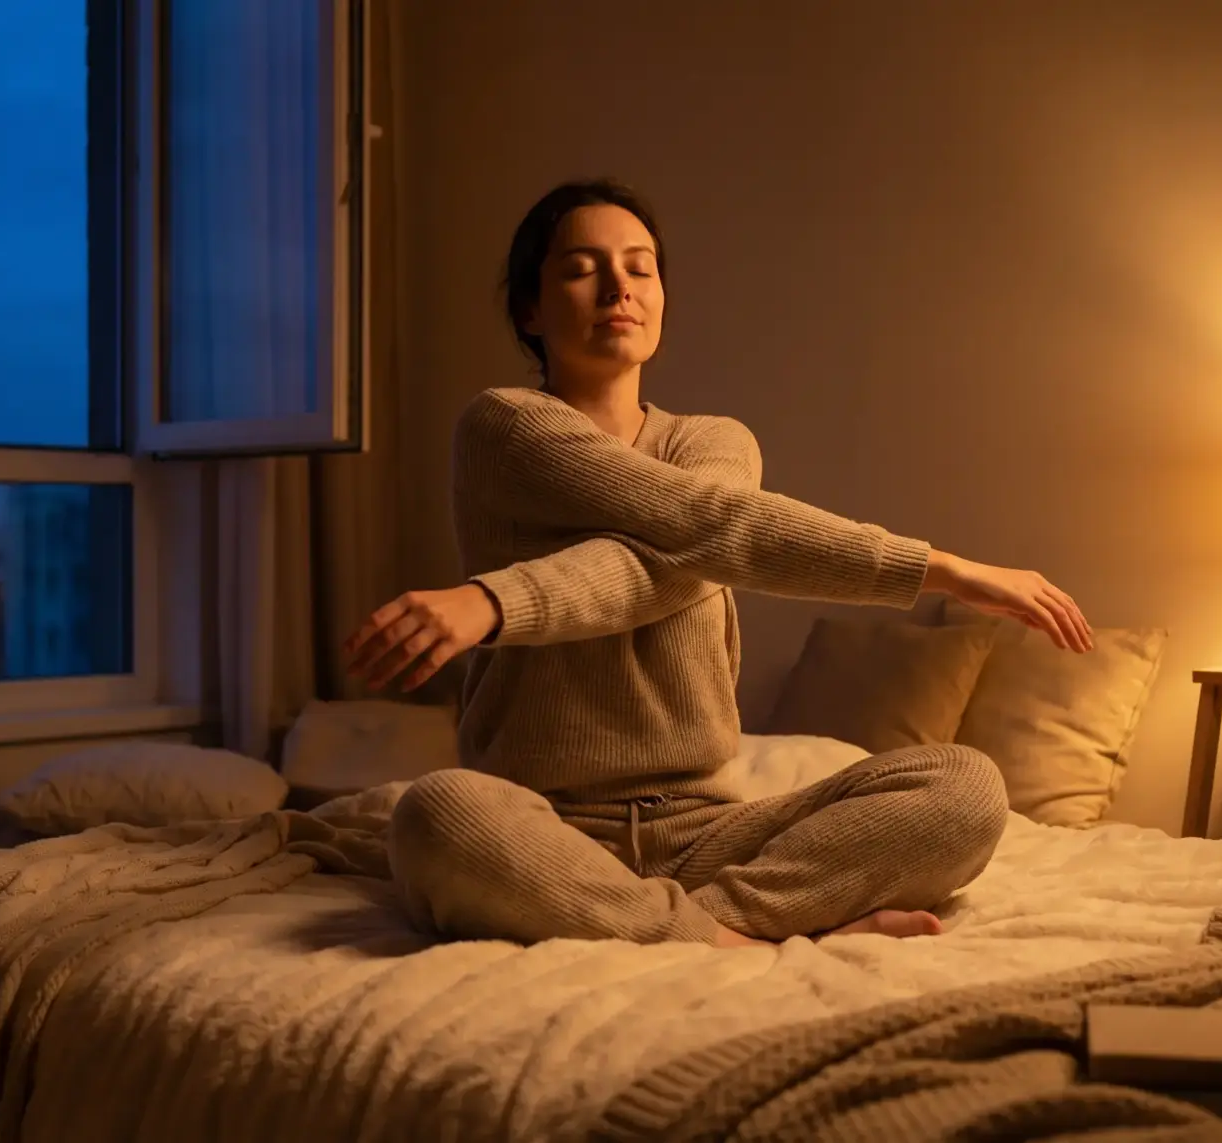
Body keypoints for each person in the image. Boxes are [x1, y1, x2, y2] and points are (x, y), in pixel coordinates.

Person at [343, 179, 1092, 949]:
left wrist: (494, 602)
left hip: (706, 833)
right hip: (544, 830)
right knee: (436, 814)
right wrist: (503, 600)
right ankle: (748, 931)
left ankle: (702, 927)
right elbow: (698, 539)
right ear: (530, 310)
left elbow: (709, 532)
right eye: (580, 267)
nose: (617, 287)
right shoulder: (505, 428)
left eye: (640, 267)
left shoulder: (715, 444)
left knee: (966, 787)